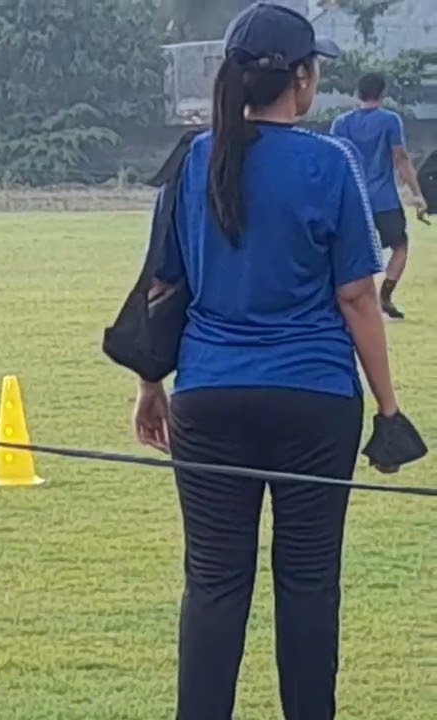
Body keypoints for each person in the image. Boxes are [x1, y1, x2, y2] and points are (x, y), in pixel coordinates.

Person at [131, 4, 417, 719]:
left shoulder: (191, 160)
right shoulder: (329, 162)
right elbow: (357, 296)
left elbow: (162, 287)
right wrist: (388, 409)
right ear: (301, 77)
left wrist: (149, 384)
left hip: (208, 395)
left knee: (215, 585)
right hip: (314, 401)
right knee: (310, 583)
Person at [330, 73, 427, 319]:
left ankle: (349, 301)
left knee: (352, 253)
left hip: (352, 200)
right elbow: (401, 158)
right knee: (400, 247)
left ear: (357, 94)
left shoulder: (341, 123)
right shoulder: (390, 120)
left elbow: (334, 161)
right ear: (383, 93)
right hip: (383, 199)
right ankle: (385, 295)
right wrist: (417, 194)